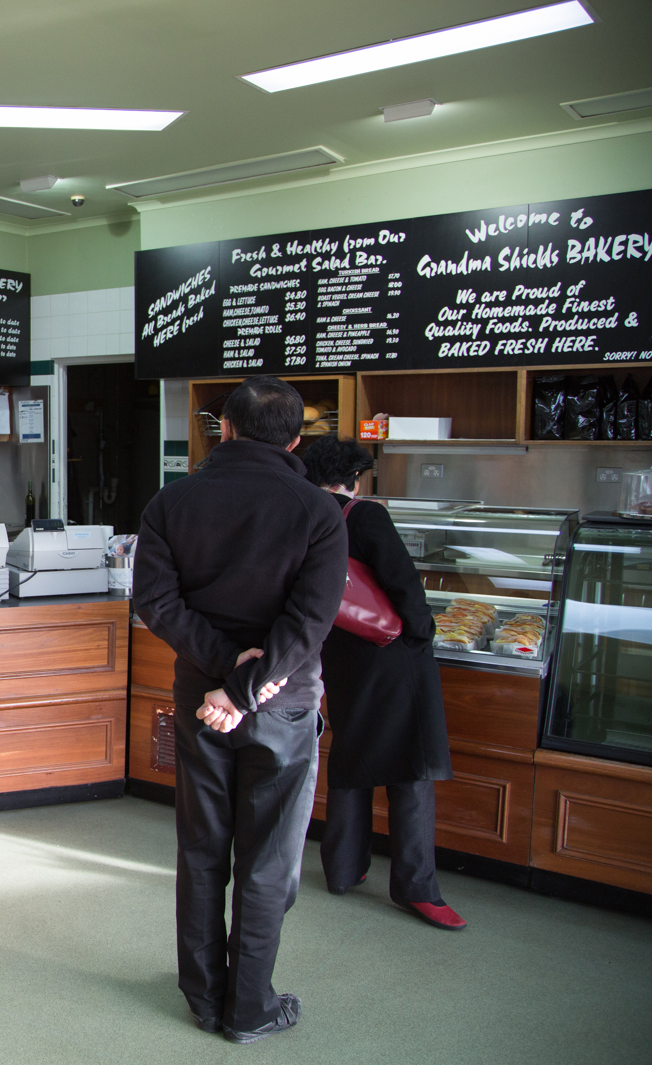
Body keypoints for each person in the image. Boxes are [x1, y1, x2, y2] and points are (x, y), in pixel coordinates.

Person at [135, 375, 348, 1045]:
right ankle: (249, 1005)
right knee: (267, 860)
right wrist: (249, 685)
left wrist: (225, 681)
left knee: (202, 849)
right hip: (281, 708)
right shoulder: (318, 511)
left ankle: (203, 993)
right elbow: (310, 620)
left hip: (202, 699)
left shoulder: (172, 501)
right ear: (294, 439)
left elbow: (157, 605)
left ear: (222, 429)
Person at [300, 435, 465, 931]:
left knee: (352, 752)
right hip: (391, 655)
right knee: (410, 766)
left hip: (338, 654)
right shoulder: (364, 515)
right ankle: (417, 887)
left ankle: (343, 868)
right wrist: (422, 634)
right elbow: (404, 585)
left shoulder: (303, 514)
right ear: (354, 476)